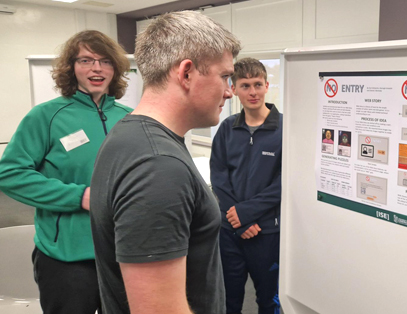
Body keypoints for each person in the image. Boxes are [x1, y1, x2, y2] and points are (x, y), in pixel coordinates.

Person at [89, 11, 241, 314]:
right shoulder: (157, 165)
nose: (229, 91)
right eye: (225, 76)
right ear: (186, 73)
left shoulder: (131, 136)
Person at [0, 30, 131, 314]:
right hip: (67, 258)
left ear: (116, 68)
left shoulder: (131, 118)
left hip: (124, 254)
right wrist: (79, 196)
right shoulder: (46, 116)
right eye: (86, 60)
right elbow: (10, 174)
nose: (96, 68)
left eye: (105, 61)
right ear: (72, 68)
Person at [210, 57, 282, 314]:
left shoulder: (285, 129)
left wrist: (247, 213)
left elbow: (284, 183)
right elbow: (218, 177)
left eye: (258, 84)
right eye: (245, 86)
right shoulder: (227, 129)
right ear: (234, 89)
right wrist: (236, 219)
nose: (253, 92)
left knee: (268, 300)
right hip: (230, 233)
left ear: (266, 85)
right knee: (228, 300)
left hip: (267, 234)